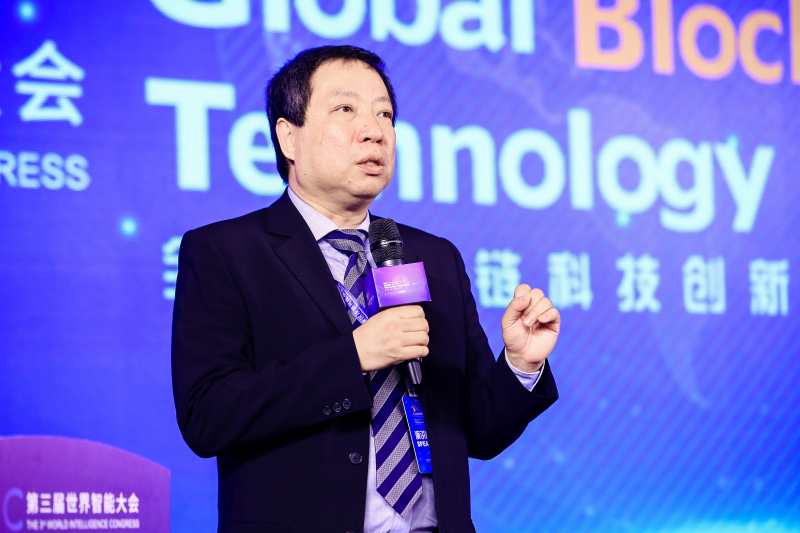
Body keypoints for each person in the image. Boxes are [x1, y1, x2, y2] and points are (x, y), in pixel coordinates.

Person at [171, 45, 560, 533]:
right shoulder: (226, 252)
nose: (374, 130)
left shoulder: (434, 256)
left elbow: (480, 432)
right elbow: (208, 415)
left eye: (385, 114)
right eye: (345, 109)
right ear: (288, 137)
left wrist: (520, 365)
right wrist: (352, 357)